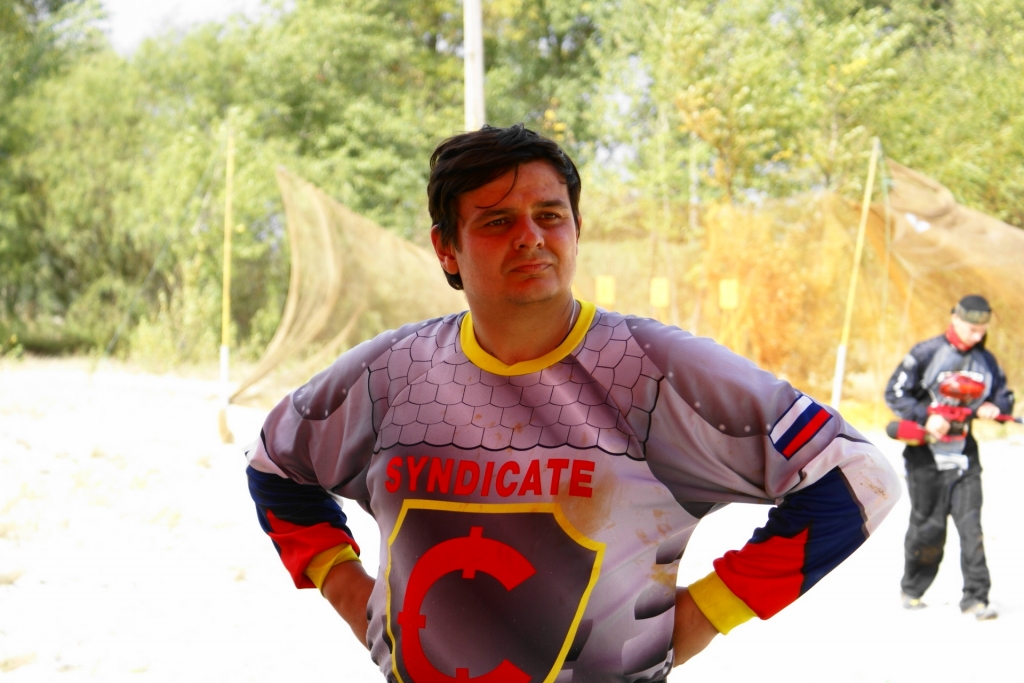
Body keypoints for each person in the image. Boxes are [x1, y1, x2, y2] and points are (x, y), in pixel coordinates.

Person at [245, 124, 899, 681]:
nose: (531, 236)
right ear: (446, 247)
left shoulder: (657, 371)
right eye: (497, 221)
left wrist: (706, 615)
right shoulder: (388, 374)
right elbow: (274, 466)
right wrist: (349, 590)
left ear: (577, 229)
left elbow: (856, 479)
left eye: (550, 215)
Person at [885, 294, 1014, 620]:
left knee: (972, 529)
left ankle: (976, 598)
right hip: (925, 456)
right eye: (972, 329)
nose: (977, 336)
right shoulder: (926, 353)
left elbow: (1004, 398)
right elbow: (895, 393)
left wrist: (995, 408)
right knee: (928, 529)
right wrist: (927, 416)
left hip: (965, 456)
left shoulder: (987, 361)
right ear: (955, 319)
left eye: (982, 330)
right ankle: (912, 589)